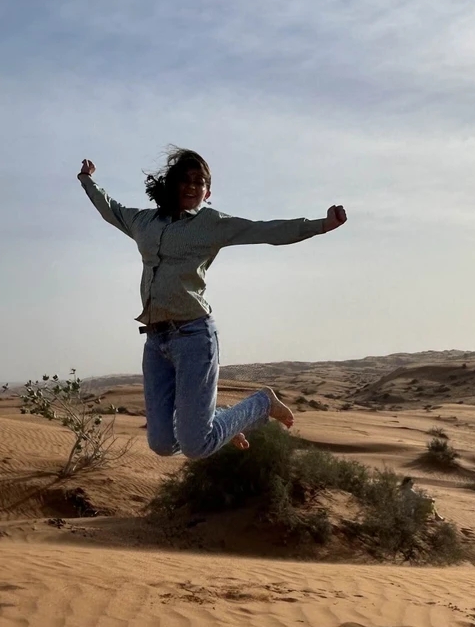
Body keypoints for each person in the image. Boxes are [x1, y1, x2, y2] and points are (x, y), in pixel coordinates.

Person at [77, 149, 347, 460]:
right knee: (162, 444)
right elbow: (110, 209)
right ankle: (217, 421)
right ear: (172, 184)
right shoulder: (143, 222)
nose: (193, 186)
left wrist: (321, 225)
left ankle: (261, 403)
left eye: (200, 181)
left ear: (208, 192)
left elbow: (266, 230)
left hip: (194, 336)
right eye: (186, 180)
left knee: (195, 447)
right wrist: (87, 181)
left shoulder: (211, 224)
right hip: (155, 342)